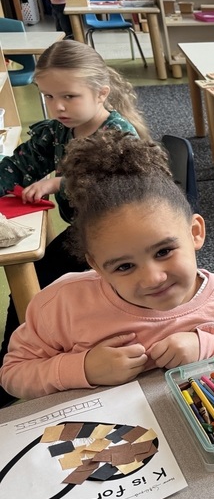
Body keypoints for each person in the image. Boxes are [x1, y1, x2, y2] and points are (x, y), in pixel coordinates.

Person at [0, 131, 214, 400]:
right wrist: (84, 368)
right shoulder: (62, 304)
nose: (152, 279)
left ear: (195, 232)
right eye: (124, 267)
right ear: (96, 265)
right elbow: (13, 374)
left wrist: (210, 347)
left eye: (163, 251)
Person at [0, 40, 151, 405]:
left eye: (69, 96)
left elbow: (116, 193)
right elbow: (18, 166)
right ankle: (16, 358)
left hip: (116, 237)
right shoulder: (59, 130)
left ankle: (13, 368)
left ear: (101, 93)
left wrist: (59, 182)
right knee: (33, 281)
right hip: (84, 233)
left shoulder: (117, 135)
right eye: (48, 96)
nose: (58, 107)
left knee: (35, 281)